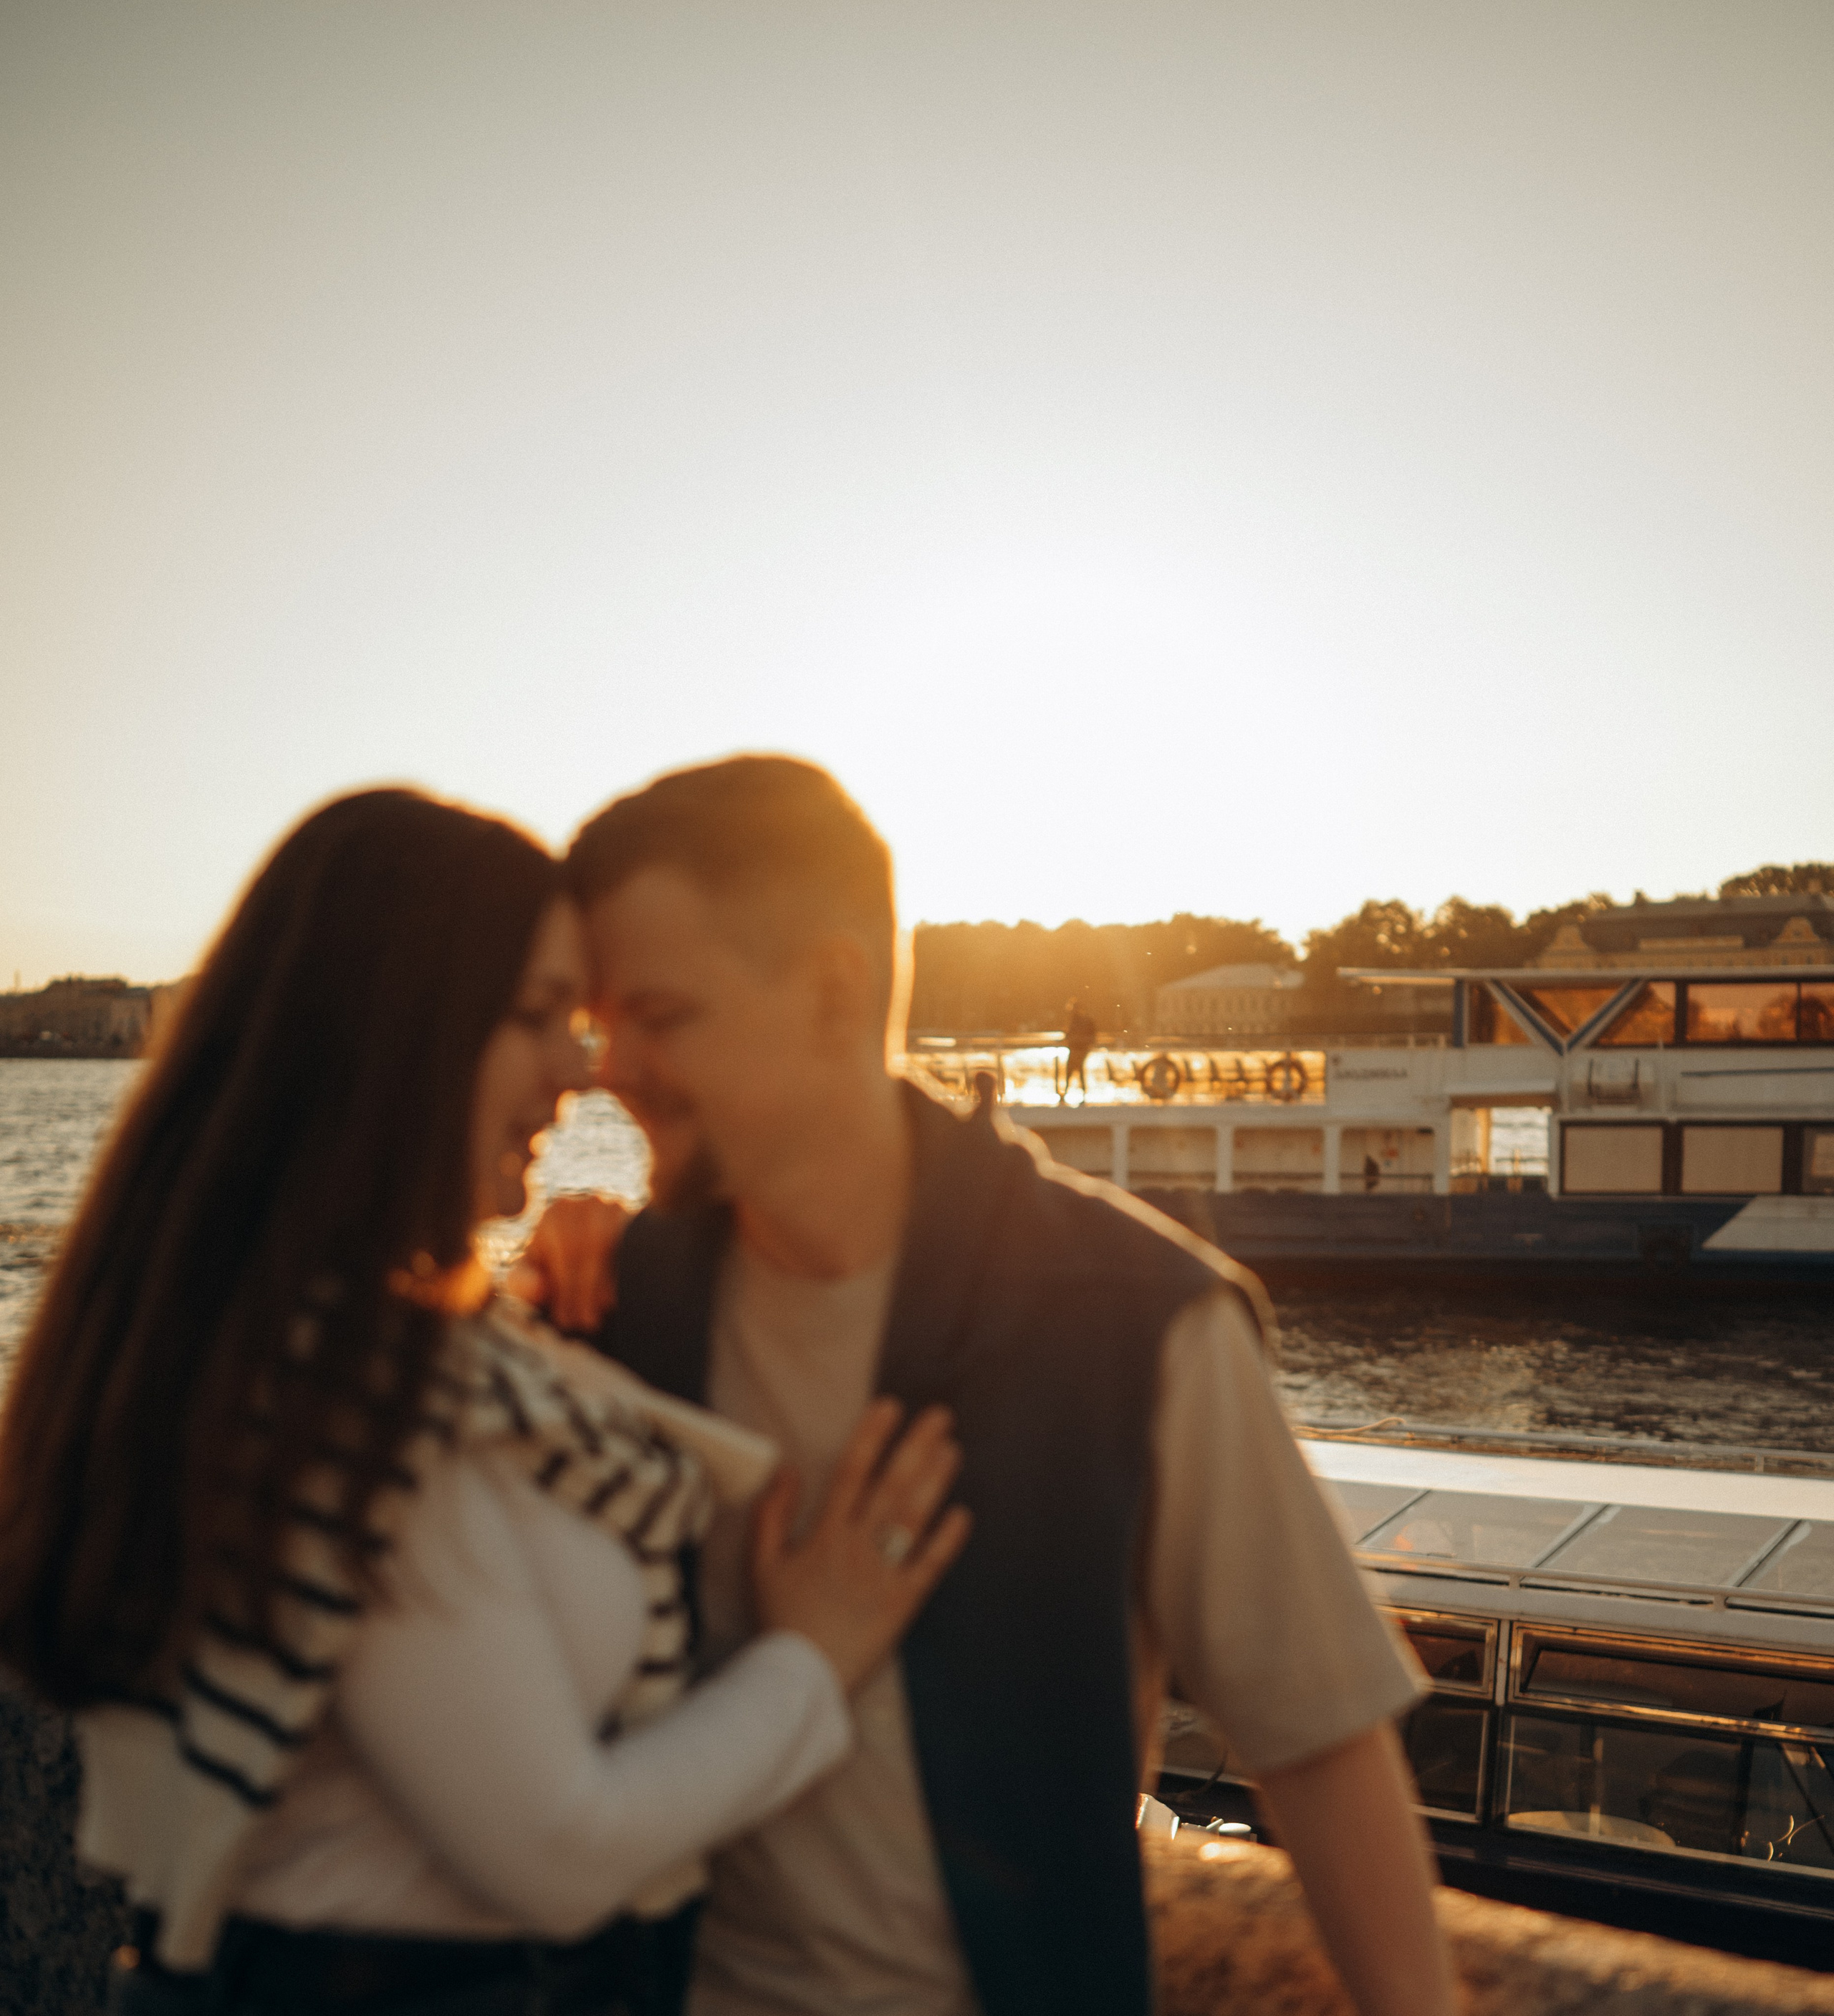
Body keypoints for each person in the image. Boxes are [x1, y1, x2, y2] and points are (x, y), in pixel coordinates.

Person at [0, 788, 968, 2016]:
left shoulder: (307, 1343)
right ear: (389, 1043)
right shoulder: (354, 1401)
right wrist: (812, 1658)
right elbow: (565, 1848)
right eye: (533, 1017)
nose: (585, 1066)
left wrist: (584, 1252)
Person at [520, 755, 1457, 2016]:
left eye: (662, 1014)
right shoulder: (610, 1305)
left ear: (834, 990)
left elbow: (1318, 1739)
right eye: (600, 1020)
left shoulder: (1137, 1325)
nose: (608, 1066)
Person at [1060, 998, 1096, 1103]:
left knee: (1071, 1070)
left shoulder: (1076, 1021)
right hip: (1081, 1049)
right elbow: (1092, 1037)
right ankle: (1082, 1094)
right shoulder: (1085, 1021)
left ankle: (1068, 1092)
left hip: (1077, 1048)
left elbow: (1069, 1035)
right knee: (1078, 1070)